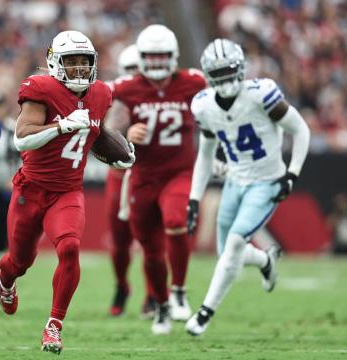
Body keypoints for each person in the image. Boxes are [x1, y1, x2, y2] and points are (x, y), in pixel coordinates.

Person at [0, 30, 135, 354]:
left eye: (83, 62)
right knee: (19, 261)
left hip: (68, 192)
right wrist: (61, 125)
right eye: (70, 62)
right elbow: (22, 139)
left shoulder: (101, 93)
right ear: (55, 63)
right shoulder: (40, 88)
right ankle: (6, 279)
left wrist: (120, 149)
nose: (78, 69)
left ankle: (54, 326)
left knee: (70, 247)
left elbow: (96, 131)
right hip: (31, 189)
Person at [185, 38, 310, 336]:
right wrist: (193, 199)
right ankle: (266, 258)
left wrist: (291, 174)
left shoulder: (261, 94)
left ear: (241, 69)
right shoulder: (203, 105)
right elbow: (205, 154)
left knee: (236, 245)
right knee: (227, 253)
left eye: (230, 71)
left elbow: (301, 129)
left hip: (266, 181)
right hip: (234, 181)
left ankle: (204, 313)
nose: (226, 79)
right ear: (208, 74)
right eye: (220, 72)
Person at [108, 24, 207, 334]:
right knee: (149, 250)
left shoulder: (193, 82)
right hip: (142, 176)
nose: (156, 63)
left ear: (173, 56)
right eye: (150, 56)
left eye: (162, 56)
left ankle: (178, 290)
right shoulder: (127, 88)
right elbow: (106, 132)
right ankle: (161, 305)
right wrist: (126, 134)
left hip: (179, 171)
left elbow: (216, 112)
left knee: (177, 221)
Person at [105, 43, 154, 317]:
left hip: (150, 172)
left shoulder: (163, 94)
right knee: (119, 240)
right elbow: (108, 133)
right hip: (121, 172)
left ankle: (153, 293)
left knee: (151, 238)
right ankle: (122, 285)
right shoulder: (117, 95)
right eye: (130, 71)